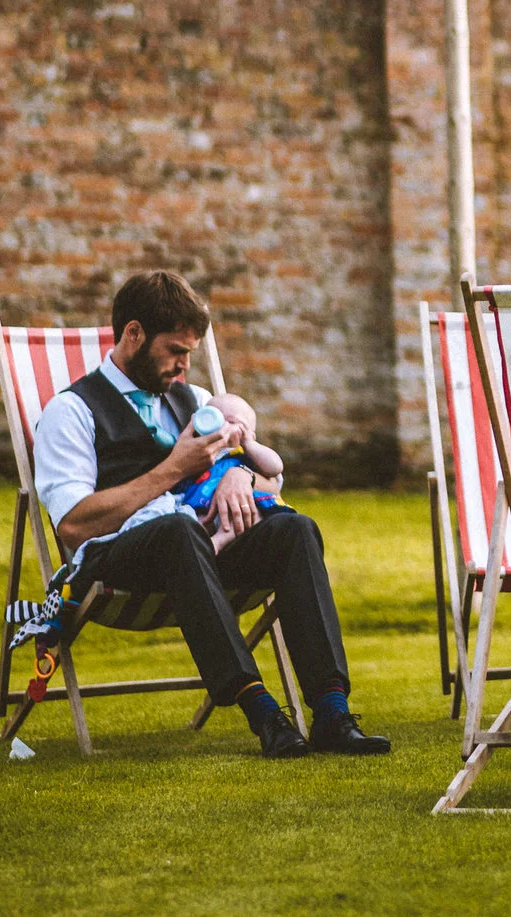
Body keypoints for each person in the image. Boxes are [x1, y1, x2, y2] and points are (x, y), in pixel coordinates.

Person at [28, 269, 390, 759]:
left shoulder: (196, 402)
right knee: (177, 530)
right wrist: (172, 469)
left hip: (204, 552)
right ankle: (261, 711)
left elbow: (260, 473)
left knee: (295, 529)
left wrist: (240, 474)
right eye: (174, 351)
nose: (182, 365)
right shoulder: (71, 411)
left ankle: (331, 711)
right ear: (133, 334)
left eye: (189, 354)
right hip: (122, 557)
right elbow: (72, 524)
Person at [180, 393, 285, 552]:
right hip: (205, 507)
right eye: (216, 419)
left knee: (251, 512)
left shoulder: (246, 452)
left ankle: (218, 542)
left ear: (250, 432)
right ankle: (202, 543)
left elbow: (275, 468)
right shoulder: (201, 452)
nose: (223, 427)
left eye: (232, 421)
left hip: (241, 506)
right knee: (194, 521)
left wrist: (249, 443)